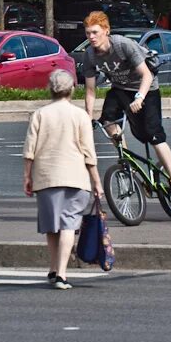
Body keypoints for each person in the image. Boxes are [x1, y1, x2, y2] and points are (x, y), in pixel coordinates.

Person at [82, 10, 171, 202]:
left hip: (146, 89)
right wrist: (88, 116)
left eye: (95, 32)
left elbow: (146, 75)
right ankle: (126, 160)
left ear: (106, 30)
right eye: (88, 33)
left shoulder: (123, 45)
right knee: (107, 121)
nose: (91, 37)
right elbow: (90, 90)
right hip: (120, 89)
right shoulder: (90, 55)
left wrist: (139, 98)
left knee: (153, 135)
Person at [23, 69, 104, 290]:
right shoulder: (80, 116)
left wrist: (27, 176)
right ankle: (62, 274)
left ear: (50, 89)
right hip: (75, 177)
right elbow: (89, 152)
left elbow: (30, 149)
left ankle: (52, 269)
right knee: (69, 224)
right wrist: (96, 182)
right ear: (72, 89)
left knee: (51, 226)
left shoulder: (40, 114)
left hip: (46, 177)